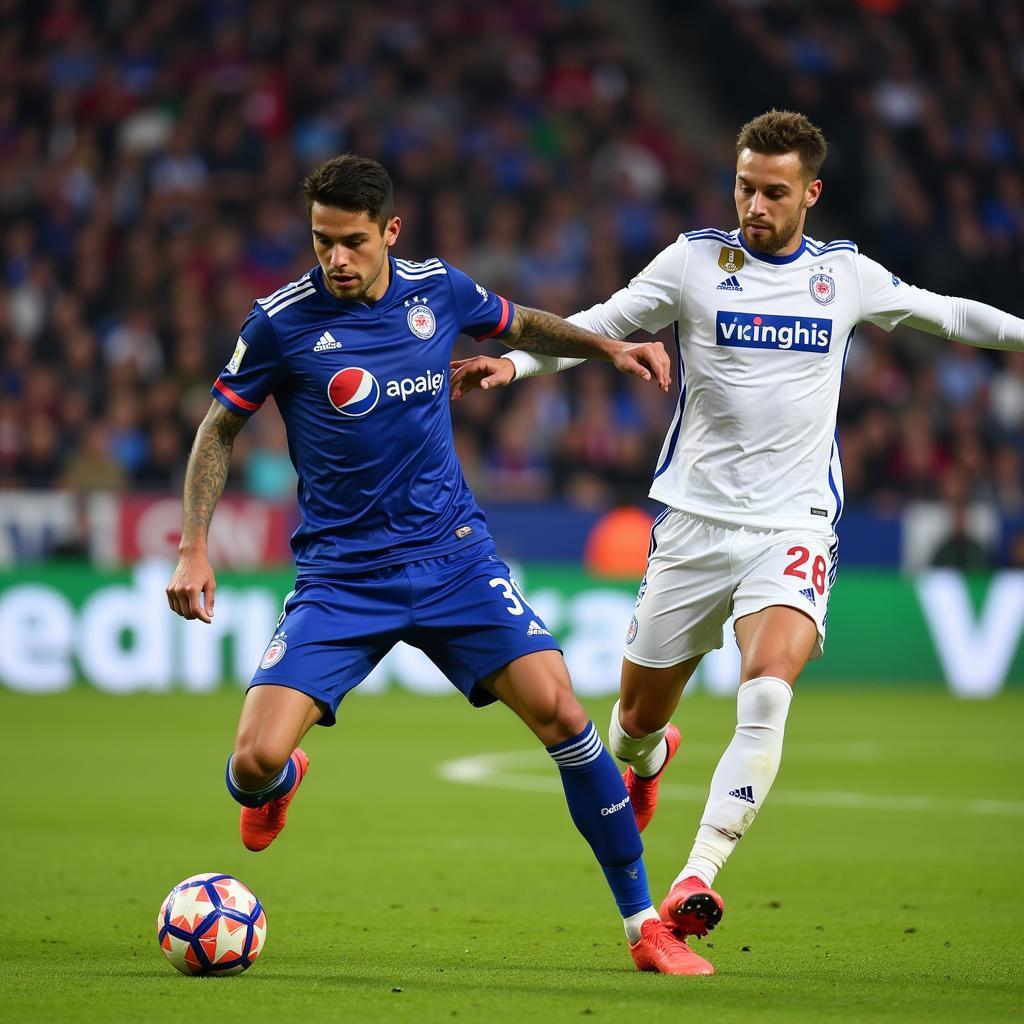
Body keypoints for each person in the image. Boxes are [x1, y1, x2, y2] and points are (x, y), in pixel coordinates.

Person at [450, 109, 1024, 967]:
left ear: (811, 194)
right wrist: (519, 363)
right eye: (745, 187)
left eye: (774, 192)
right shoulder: (693, 263)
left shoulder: (846, 277)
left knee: (768, 688)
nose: (755, 204)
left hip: (793, 524)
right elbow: (606, 319)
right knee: (634, 724)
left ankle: (697, 874)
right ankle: (650, 762)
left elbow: (945, 316)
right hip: (692, 524)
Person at [164, 154, 716, 976]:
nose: (335, 260)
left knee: (564, 715)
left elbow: (517, 323)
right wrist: (194, 544)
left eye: (352, 242)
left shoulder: (437, 290)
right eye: (322, 242)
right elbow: (218, 428)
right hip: (343, 579)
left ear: (389, 231)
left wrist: (607, 347)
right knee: (251, 763)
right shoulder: (279, 323)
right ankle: (278, 786)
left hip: (454, 560)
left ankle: (645, 926)